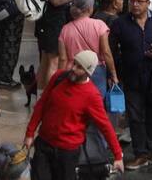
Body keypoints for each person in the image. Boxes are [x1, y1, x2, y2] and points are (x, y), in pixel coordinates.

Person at [24, 51, 124, 179]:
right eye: (74, 63)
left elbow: (105, 126)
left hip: (67, 153)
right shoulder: (59, 77)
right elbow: (41, 104)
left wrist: (117, 155)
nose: (73, 68)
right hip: (44, 144)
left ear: (88, 72)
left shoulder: (92, 95)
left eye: (79, 67)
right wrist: (30, 133)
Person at [109, 0, 152, 170]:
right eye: (132, 1)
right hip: (131, 76)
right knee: (135, 117)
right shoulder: (121, 23)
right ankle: (140, 153)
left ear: (147, 3)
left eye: (139, 1)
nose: (135, 5)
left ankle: (150, 149)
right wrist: (115, 72)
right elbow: (112, 48)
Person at [58, 0, 118, 98]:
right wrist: (113, 74)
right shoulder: (99, 25)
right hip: (96, 70)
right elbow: (106, 53)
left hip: (73, 71)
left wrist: (60, 77)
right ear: (90, 9)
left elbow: (63, 58)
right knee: (96, 103)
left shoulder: (65, 29)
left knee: (75, 103)